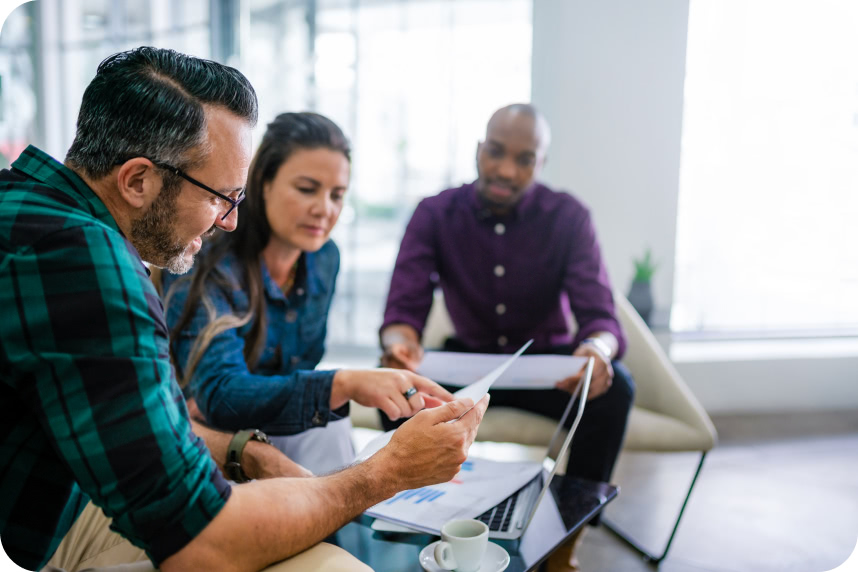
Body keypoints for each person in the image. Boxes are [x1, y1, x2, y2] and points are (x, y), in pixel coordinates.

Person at [0, 46, 488, 572]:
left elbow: (142, 425)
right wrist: (387, 472)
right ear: (138, 180)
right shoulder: (92, 266)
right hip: (52, 526)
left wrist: (244, 450)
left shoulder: (26, 207)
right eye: (221, 197)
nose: (228, 221)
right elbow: (203, 542)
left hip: (66, 492)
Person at [379, 103, 635, 571]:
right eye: (495, 153)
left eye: (524, 159)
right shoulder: (435, 213)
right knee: (393, 385)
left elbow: (600, 316)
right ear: (479, 150)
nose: (505, 170)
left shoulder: (569, 216)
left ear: (540, 164)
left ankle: (565, 546)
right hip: (469, 364)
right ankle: (407, 521)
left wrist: (598, 350)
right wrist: (399, 344)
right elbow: (403, 307)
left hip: (548, 368)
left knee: (616, 388)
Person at [162, 112, 452, 475]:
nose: (324, 209)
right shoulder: (208, 261)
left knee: (334, 436)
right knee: (330, 435)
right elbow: (221, 396)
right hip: (202, 435)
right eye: (306, 189)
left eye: (337, 195)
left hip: (274, 425)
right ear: (263, 183)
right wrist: (343, 382)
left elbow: (298, 370)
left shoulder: (324, 259)